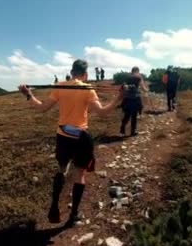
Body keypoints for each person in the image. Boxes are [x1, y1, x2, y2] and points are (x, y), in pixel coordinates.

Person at [18, 59, 123, 226]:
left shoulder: (60, 86)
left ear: (72, 72)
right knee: (80, 174)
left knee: (62, 170)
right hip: (81, 137)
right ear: (85, 74)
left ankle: (54, 206)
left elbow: (41, 108)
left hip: (63, 136)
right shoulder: (88, 89)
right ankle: (73, 214)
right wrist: (118, 99)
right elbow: (103, 113)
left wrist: (29, 95)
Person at [120, 66, 148, 137]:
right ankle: (133, 131)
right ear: (137, 71)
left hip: (127, 99)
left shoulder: (127, 77)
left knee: (127, 114)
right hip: (135, 98)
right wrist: (147, 90)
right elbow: (143, 88)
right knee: (134, 115)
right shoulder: (139, 77)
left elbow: (123, 86)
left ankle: (122, 129)